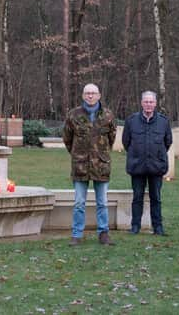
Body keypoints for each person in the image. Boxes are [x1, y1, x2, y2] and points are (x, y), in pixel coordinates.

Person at [62, 83, 117, 246]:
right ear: (83, 96)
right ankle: (77, 234)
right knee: (79, 202)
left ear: (99, 95)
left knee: (102, 202)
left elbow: (111, 138)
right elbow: (67, 138)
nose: (90, 96)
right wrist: (77, 153)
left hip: (101, 165)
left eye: (93, 93)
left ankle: (104, 233)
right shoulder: (73, 115)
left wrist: (101, 153)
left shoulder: (108, 115)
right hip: (80, 165)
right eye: (87, 93)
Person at [122, 91, 172, 236]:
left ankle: (158, 227)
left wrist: (156, 155)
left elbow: (167, 142)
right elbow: (126, 142)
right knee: (137, 197)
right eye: (146, 101)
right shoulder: (131, 121)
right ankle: (135, 226)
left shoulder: (163, 121)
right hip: (137, 166)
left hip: (156, 167)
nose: (149, 104)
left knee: (156, 197)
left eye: (151, 102)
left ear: (155, 103)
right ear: (142, 103)